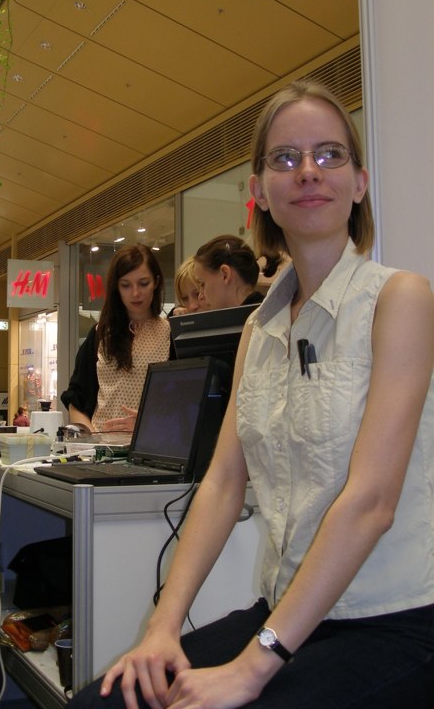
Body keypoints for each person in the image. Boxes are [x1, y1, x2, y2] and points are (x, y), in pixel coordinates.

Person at [68, 80, 434, 709]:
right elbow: (221, 483)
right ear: (260, 191)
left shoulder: (400, 300)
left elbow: (371, 503)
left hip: (391, 621)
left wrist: (253, 666)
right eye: (285, 158)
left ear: (359, 182)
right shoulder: (257, 332)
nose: (308, 171)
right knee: (103, 701)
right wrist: (162, 628)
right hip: (287, 612)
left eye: (329, 154)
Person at [61, 243, 171, 434]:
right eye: (125, 285)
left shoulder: (169, 334)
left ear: (156, 282)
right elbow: (76, 398)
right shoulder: (101, 334)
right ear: (116, 288)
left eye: (143, 283)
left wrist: (149, 424)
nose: (135, 293)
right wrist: (92, 437)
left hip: (153, 444)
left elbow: (184, 404)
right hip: (101, 445)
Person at [192, 234, 268, 310]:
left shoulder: (260, 315)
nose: (200, 296)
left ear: (225, 274)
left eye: (202, 284)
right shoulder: (267, 309)